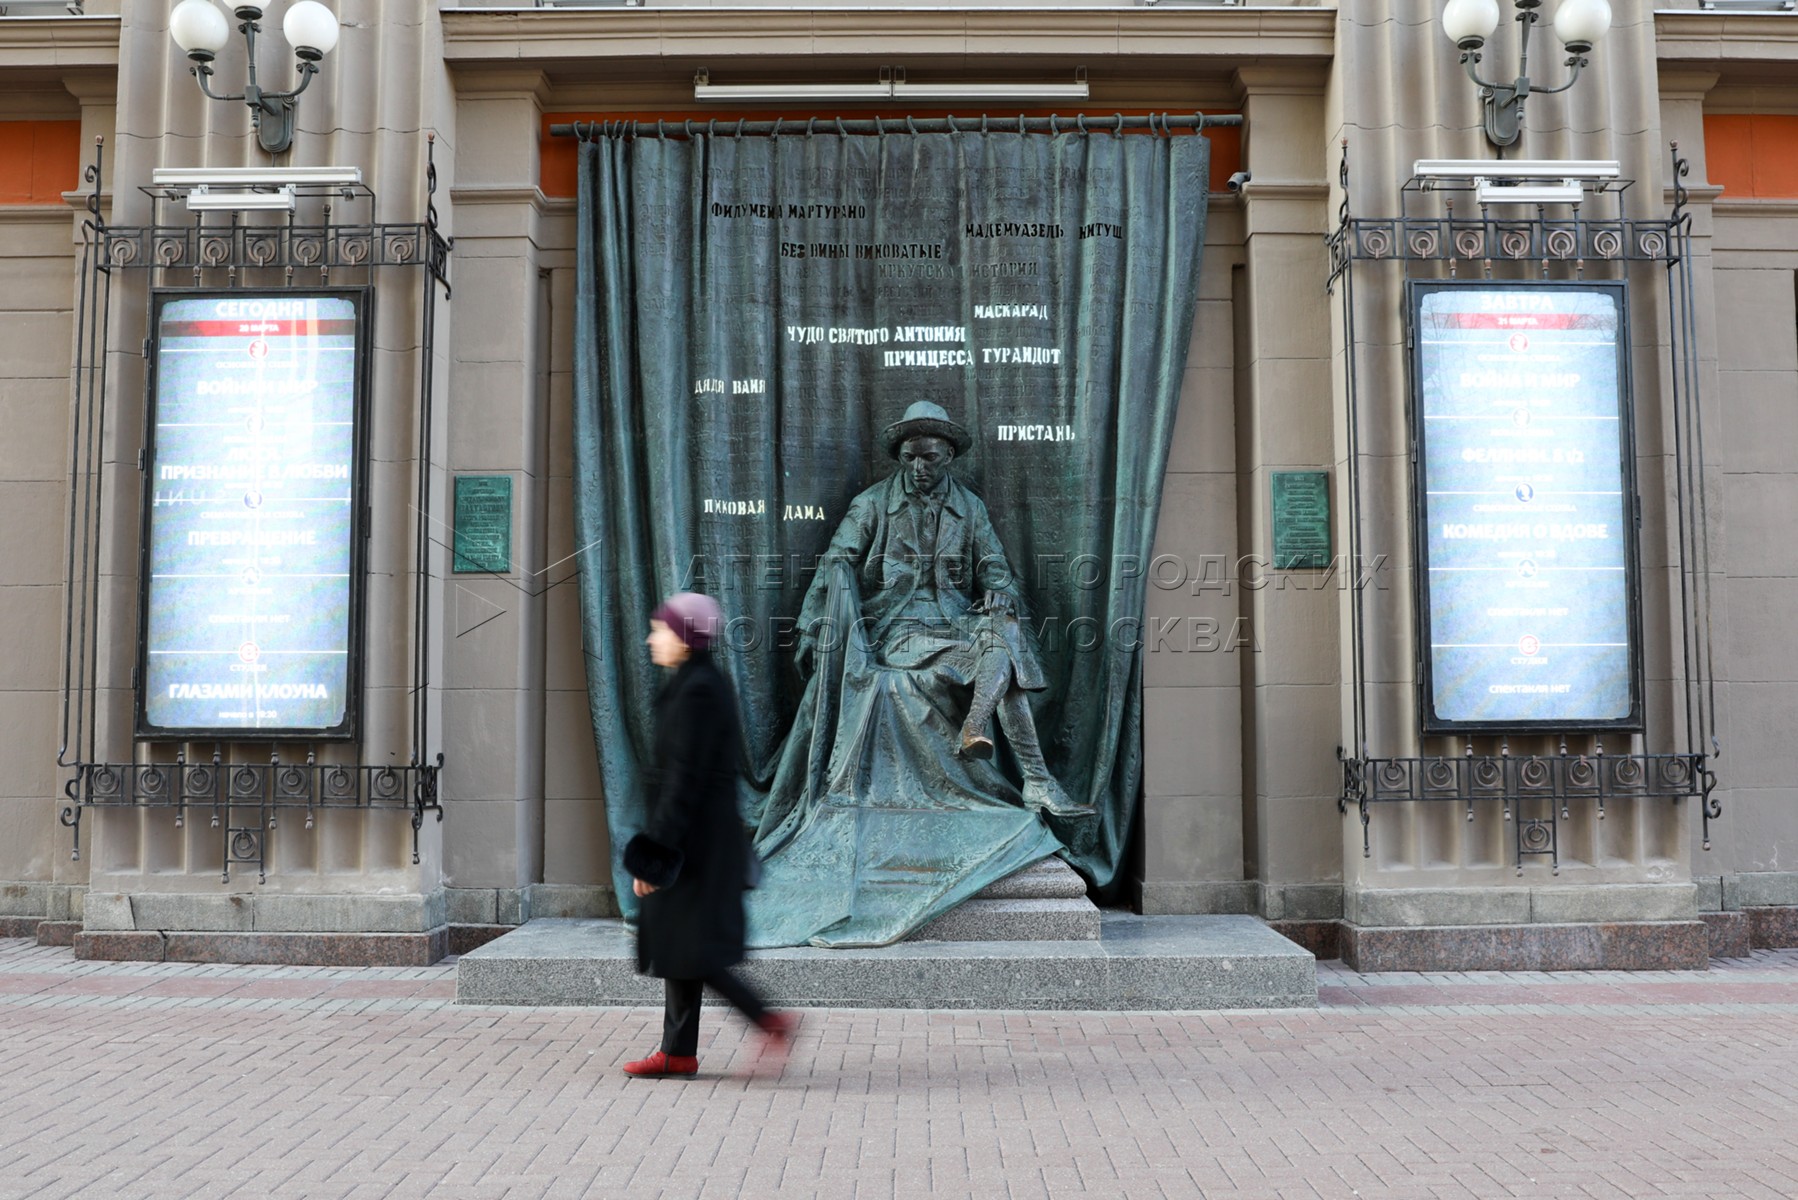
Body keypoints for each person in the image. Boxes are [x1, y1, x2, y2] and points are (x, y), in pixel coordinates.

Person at [793, 400, 1089, 817]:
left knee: (1004, 629)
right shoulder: (872, 504)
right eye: (909, 458)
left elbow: (995, 569)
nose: (918, 468)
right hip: (898, 629)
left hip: (957, 622)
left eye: (929, 458)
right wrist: (811, 626)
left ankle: (977, 727)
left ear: (948, 455)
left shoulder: (969, 507)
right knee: (1006, 662)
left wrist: (1000, 591)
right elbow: (836, 561)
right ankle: (1036, 780)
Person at [621, 591, 796, 1078]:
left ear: (685, 637)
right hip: (697, 842)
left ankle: (767, 1020)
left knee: (693, 949)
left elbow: (685, 782)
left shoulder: (698, 691)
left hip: (695, 847)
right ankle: (678, 1051)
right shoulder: (693, 683)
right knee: (682, 945)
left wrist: (655, 855)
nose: (652, 639)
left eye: (660, 630)